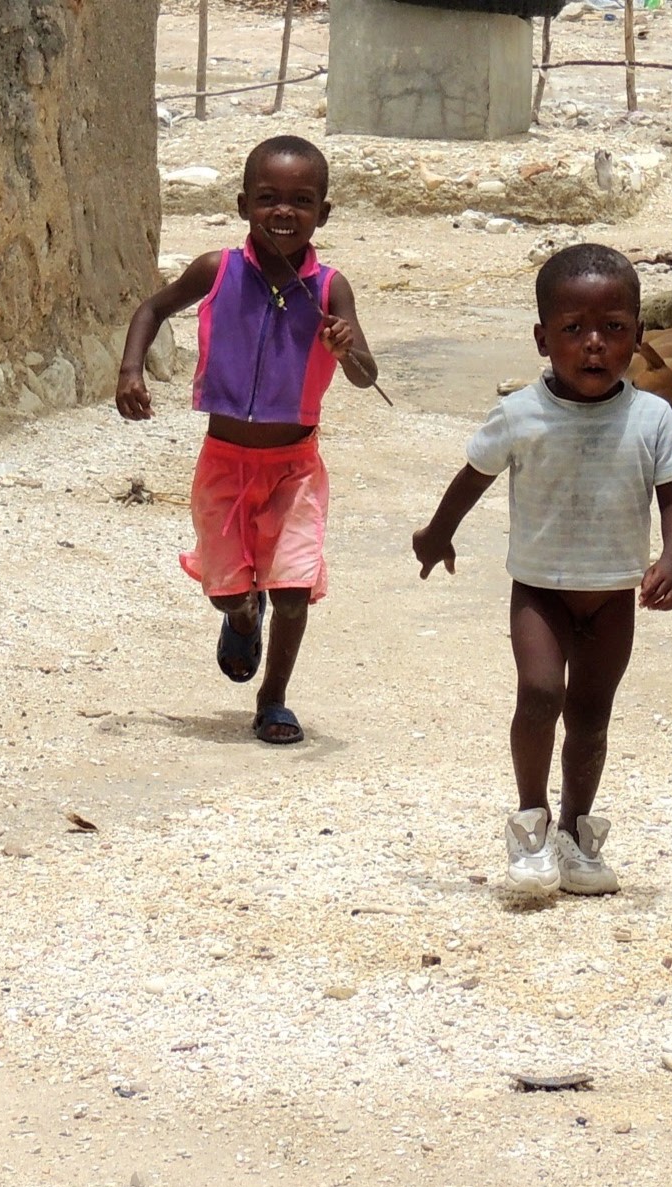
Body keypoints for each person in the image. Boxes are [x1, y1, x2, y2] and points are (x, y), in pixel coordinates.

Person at [412, 243, 672, 896]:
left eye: (613, 329)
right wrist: (437, 534)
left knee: (592, 717)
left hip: (612, 597)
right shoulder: (520, 414)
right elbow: (471, 479)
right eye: (574, 331)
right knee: (541, 695)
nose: (594, 345)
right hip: (539, 591)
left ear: (638, 336)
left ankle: (576, 835)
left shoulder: (653, 417)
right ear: (544, 339)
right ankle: (530, 827)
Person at [115, 135, 378, 745]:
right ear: (242, 205)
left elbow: (367, 376)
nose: (283, 212)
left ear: (324, 213)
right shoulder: (219, 269)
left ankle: (275, 700)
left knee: (291, 595)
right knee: (227, 592)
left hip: (295, 469)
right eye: (268, 198)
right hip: (224, 464)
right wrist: (131, 369)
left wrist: (347, 348)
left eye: (301, 200)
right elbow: (153, 309)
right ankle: (240, 614)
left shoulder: (332, 289)